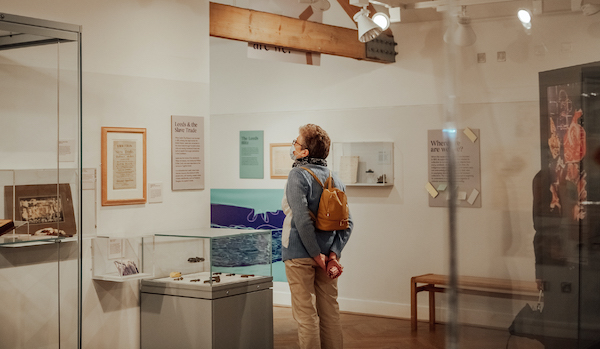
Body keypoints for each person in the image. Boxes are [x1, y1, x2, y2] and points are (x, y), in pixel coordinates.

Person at [281, 124, 353, 349]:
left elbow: (302, 220)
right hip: (326, 255)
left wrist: (315, 255)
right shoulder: (335, 178)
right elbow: (347, 223)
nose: (293, 145)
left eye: (297, 142)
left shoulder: (297, 175)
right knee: (330, 313)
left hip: (300, 255)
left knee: (306, 316)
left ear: (305, 152)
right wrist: (332, 254)